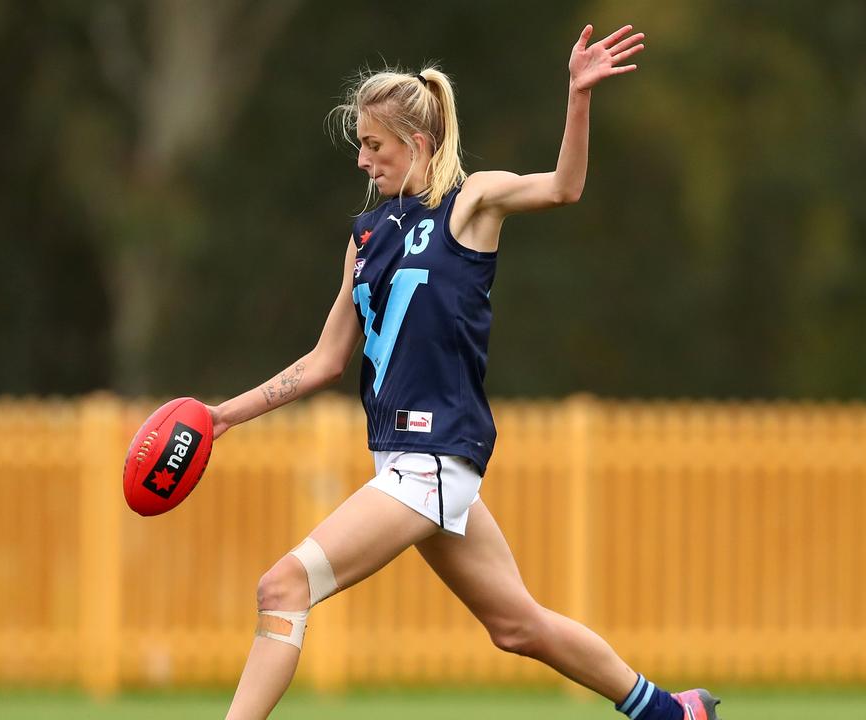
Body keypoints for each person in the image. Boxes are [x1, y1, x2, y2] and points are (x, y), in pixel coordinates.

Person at [206, 23, 720, 720]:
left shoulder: (471, 204)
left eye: (374, 145)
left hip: (433, 457)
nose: (362, 160)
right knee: (517, 627)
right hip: (404, 462)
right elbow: (327, 359)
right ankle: (670, 712)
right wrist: (220, 416)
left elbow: (565, 188)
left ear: (416, 143)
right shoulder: (365, 239)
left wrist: (578, 96)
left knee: (283, 586)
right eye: (360, 144)